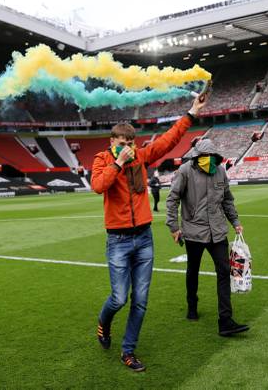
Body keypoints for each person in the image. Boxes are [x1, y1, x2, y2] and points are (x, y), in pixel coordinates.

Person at [91, 95, 207, 372]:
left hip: (143, 238)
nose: (128, 149)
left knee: (140, 302)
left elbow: (168, 140)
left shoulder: (142, 157)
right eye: (122, 145)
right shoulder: (103, 160)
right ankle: (104, 324)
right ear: (112, 143)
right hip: (118, 240)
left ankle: (128, 351)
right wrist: (118, 162)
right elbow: (98, 185)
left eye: (130, 144)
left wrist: (191, 113)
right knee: (119, 298)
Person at [165, 138, 250, 337]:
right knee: (192, 270)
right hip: (194, 231)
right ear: (197, 156)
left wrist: (235, 222)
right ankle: (192, 306)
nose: (208, 160)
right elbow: (172, 199)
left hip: (218, 231)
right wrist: (173, 227)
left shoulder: (220, 171)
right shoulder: (185, 171)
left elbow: (227, 199)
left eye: (211, 157)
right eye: (204, 157)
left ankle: (225, 320)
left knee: (224, 270)